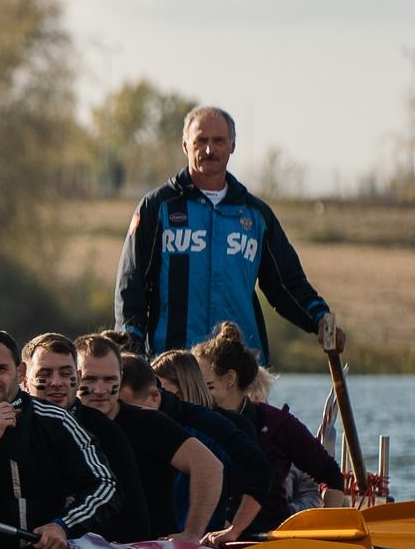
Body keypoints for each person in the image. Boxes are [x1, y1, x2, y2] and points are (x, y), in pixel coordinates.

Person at [113, 105, 346, 363]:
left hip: (243, 366)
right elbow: (131, 285)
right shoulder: (157, 208)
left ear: (232, 145)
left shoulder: (257, 215)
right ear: (185, 145)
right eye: (201, 141)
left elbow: (286, 283)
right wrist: (130, 352)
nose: (210, 150)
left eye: (218, 141)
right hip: (175, 366)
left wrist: (321, 319)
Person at [0, 329, 133, 549]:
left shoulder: (57, 420)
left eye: (0, 369)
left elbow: (105, 486)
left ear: (20, 372)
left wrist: (62, 525)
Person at [73, 333, 225, 543]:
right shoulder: (63, 423)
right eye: (89, 379)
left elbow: (209, 467)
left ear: (121, 374)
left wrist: (191, 533)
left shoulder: (149, 422)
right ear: (73, 376)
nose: (100, 390)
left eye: (109, 380)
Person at [193, 321, 343, 533]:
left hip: (268, 540)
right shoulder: (192, 418)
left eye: (206, 387)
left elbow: (331, 475)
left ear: (229, 379)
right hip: (208, 538)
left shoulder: (276, 424)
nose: (197, 395)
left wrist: (328, 532)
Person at [121, 353, 270, 544]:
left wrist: (234, 529)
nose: (123, 415)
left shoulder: (204, 422)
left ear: (154, 396)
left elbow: (260, 469)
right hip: (139, 543)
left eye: (127, 407)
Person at [21, 331, 148, 542]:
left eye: (65, 373)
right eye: (45, 374)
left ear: (78, 378)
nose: (56, 382)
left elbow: (135, 524)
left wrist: (66, 530)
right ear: (24, 380)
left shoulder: (105, 431)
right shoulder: (7, 426)